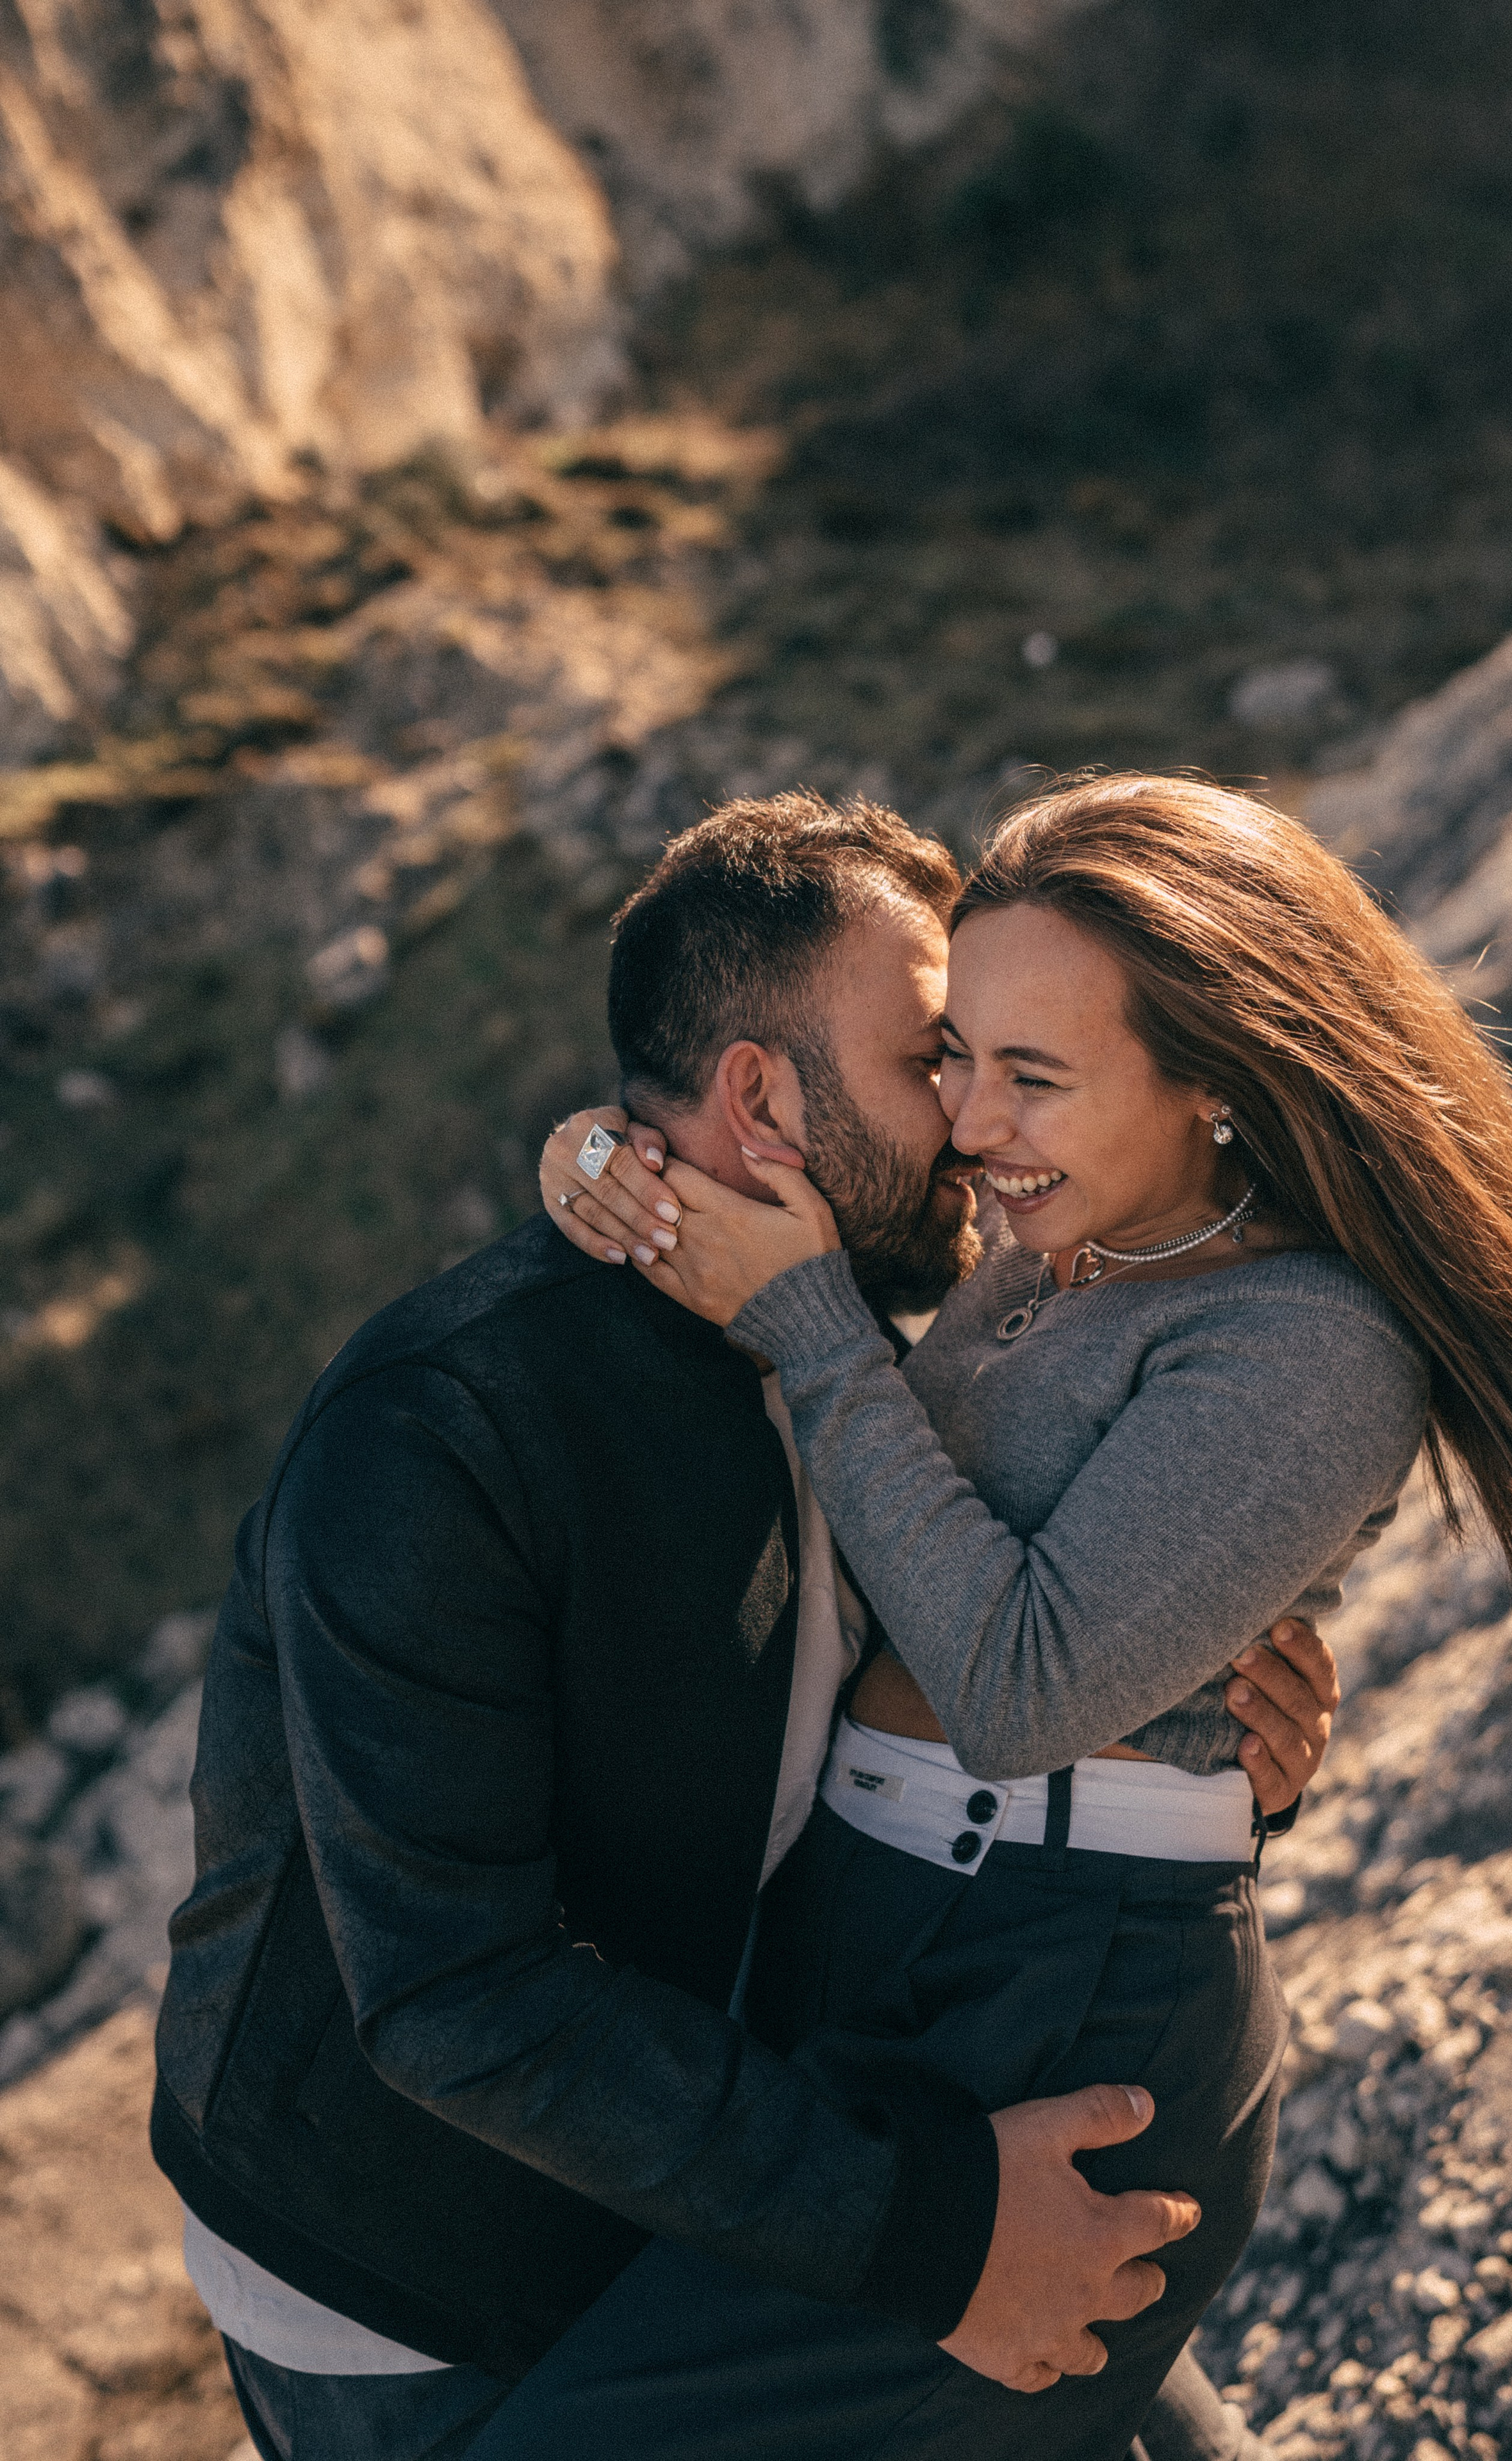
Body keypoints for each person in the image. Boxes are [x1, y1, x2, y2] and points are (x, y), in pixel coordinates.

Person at [151, 790, 1337, 2461]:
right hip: (421, 2258)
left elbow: (1003, 1632)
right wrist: (933, 2231)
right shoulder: (442, 1433)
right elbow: (455, 1998)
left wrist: (1200, 1730)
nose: (974, 1119)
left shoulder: (844, 1343)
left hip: (744, 2134)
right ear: (763, 1097)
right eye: (933, 1058)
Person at [514, 770, 1512, 2461]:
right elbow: (817, 1301)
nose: (970, 1124)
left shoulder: (1311, 1342)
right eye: (957, 1056)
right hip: (881, 1927)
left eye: (1032, 1076)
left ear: (1219, 1080)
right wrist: (608, 1152)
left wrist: (818, 1330)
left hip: (1058, 1998)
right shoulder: (1060, 1237)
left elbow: (1019, 1692)